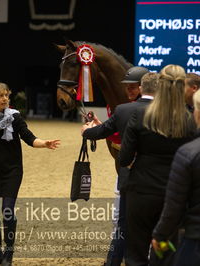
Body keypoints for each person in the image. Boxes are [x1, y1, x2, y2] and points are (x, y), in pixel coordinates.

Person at [0, 82, 60, 266]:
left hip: (12, 171)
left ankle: (9, 252)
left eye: (6, 95)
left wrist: (44, 143)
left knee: (7, 211)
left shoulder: (14, 117)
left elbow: (29, 138)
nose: (5, 98)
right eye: (0, 95)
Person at [119, 64, 197, 266]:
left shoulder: (140, 116)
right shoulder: (190, 122)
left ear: (160, 86)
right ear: (182, 86)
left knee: (135, 253)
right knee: (165, 253)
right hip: (173, 199)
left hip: (141, 195)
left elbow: (124, 159)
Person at [81, 71, 155, 266]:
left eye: (132, 86)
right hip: (156, 178)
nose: (128, 89)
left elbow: (116, 137)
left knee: (123, 224)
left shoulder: (122, 110)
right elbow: (117, 134)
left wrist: (88, 130)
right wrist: (103, 126)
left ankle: (114, 262)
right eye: (126, 86)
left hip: (130, 175)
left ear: (142, 87)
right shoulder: (167, 111)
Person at [152, 89, 200, 266]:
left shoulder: (188, 153)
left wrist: (160, 233)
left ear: (198, 112)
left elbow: (175, 203)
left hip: (195, 238)